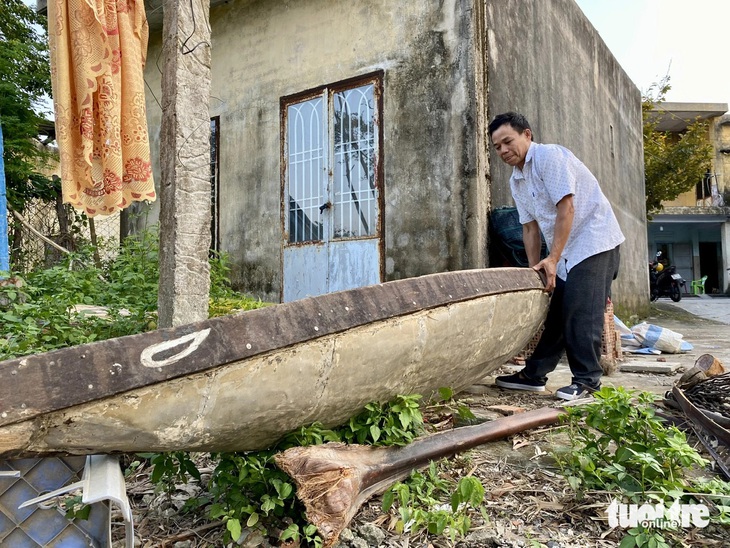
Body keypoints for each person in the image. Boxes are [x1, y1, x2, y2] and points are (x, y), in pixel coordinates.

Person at [488, 112, 625, 400]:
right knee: (558, 312)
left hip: (595, 241)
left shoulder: (550, 157)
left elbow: (567, 209)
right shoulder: (517, 180)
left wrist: (552, 258)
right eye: (497, 147)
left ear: (527, 134)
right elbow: (529, 228)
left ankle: (588, 382)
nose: (503, 151)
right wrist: (534, 269)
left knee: (580, 311)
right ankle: (533, 375)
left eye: (507, 142)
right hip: (566, 252)